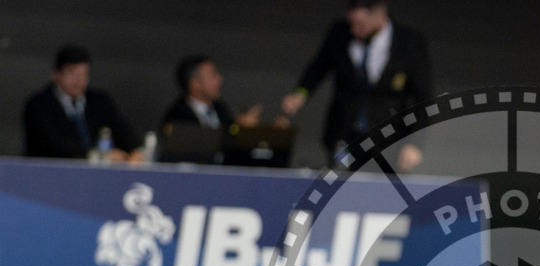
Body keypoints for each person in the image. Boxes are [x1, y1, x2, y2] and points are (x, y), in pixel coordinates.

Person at [280, 0, 431, 171]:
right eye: (351, 23)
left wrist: (415, 143)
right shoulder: (339, 33)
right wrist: (301, 93)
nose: (354, 29)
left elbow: (423, 97)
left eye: (361, 24)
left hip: (388, 137)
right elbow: (318, 68)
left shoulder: (410, 42)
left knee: (382, 192)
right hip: (344, 132)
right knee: (339, 186)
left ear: (380, 16)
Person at [23, 44, 142, 161]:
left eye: (84, 73)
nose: (78, 80)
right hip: (52, 173)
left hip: (96, 175)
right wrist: (95, 155)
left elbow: (123, 131)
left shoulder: (100, 101)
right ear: (56, 74)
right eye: (72, 73)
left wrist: (134, 150)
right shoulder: (38, 104)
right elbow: (50, 143)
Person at [162, 55, 262, 131]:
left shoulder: (221, 109)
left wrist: (239, 127)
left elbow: (230, 136)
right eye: (212, 76)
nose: (219, 79)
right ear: (195, 84)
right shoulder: (177, 116)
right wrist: (236, 126)